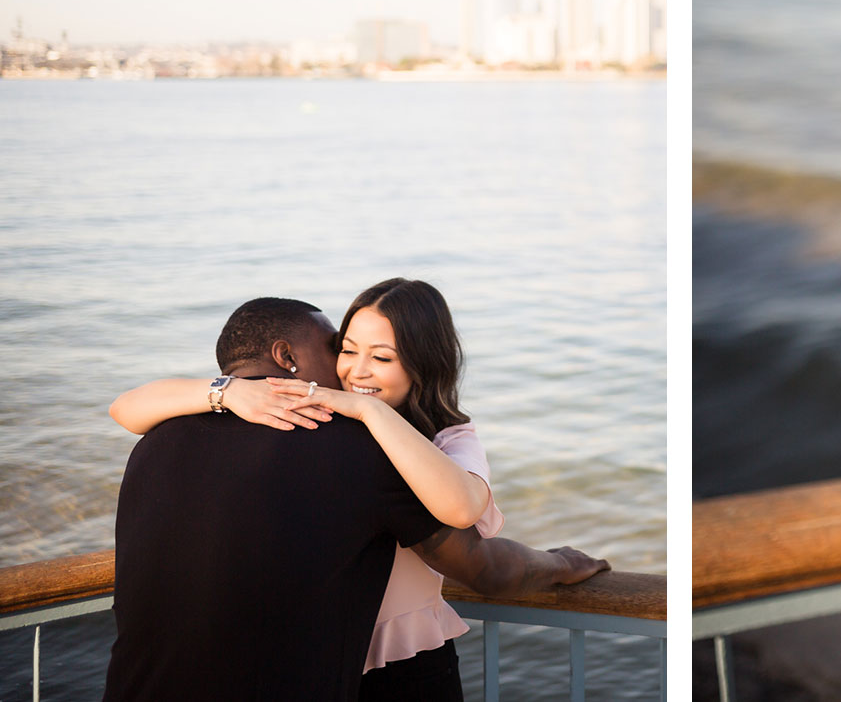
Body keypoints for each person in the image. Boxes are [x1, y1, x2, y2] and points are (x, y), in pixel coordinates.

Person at [107, 283, 606, 700]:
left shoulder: (158, 439)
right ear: (287, 357)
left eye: (380, 356)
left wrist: (226, 392)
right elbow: (484, 567)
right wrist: (561, 564)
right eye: (340, 349)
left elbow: (127, 409)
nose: (351, 370)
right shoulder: (350, 447)